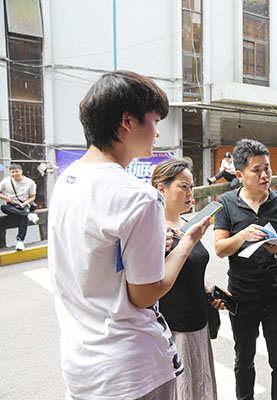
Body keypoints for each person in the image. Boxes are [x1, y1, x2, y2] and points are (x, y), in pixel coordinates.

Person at [48, 70, 211, 400]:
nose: (157, 130)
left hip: (81, 365)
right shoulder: (139, 197)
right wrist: (189, 240)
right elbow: (146, 295)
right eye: (153, 119)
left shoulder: (66, 182)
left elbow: (97, 260)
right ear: (127, 121)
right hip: (131, 369)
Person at [213, 139, 277, 400]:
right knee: (243, 359)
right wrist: (242, 236)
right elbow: (219, 248)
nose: (265, 175)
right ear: (240, 174)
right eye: (257, 170)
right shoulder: (227, 203)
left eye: (267, 168)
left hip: (276, 293)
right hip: (241, 296)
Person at [152, 157, 225, 400]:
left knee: (201, 387)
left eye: (191, 187)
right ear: (161, 188)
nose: (189, 193)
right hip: (174, 330)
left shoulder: (188, 223)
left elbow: (190, 268)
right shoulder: (153, 231)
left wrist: (208, 289)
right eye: (183, 186)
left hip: (199, 325)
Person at [0, 164, 39, 251]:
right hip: (11, 205)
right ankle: (29, 215)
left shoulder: (30, 182)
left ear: (21, 171)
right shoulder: (6, 181)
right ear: (10, 173)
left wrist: (25, 203)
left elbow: (32, 196)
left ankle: (20, 240)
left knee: (22, 217)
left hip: (23, 205)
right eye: (12, 172)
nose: (14, 174)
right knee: (3, 207)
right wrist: (6, 198)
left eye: (16, 171)